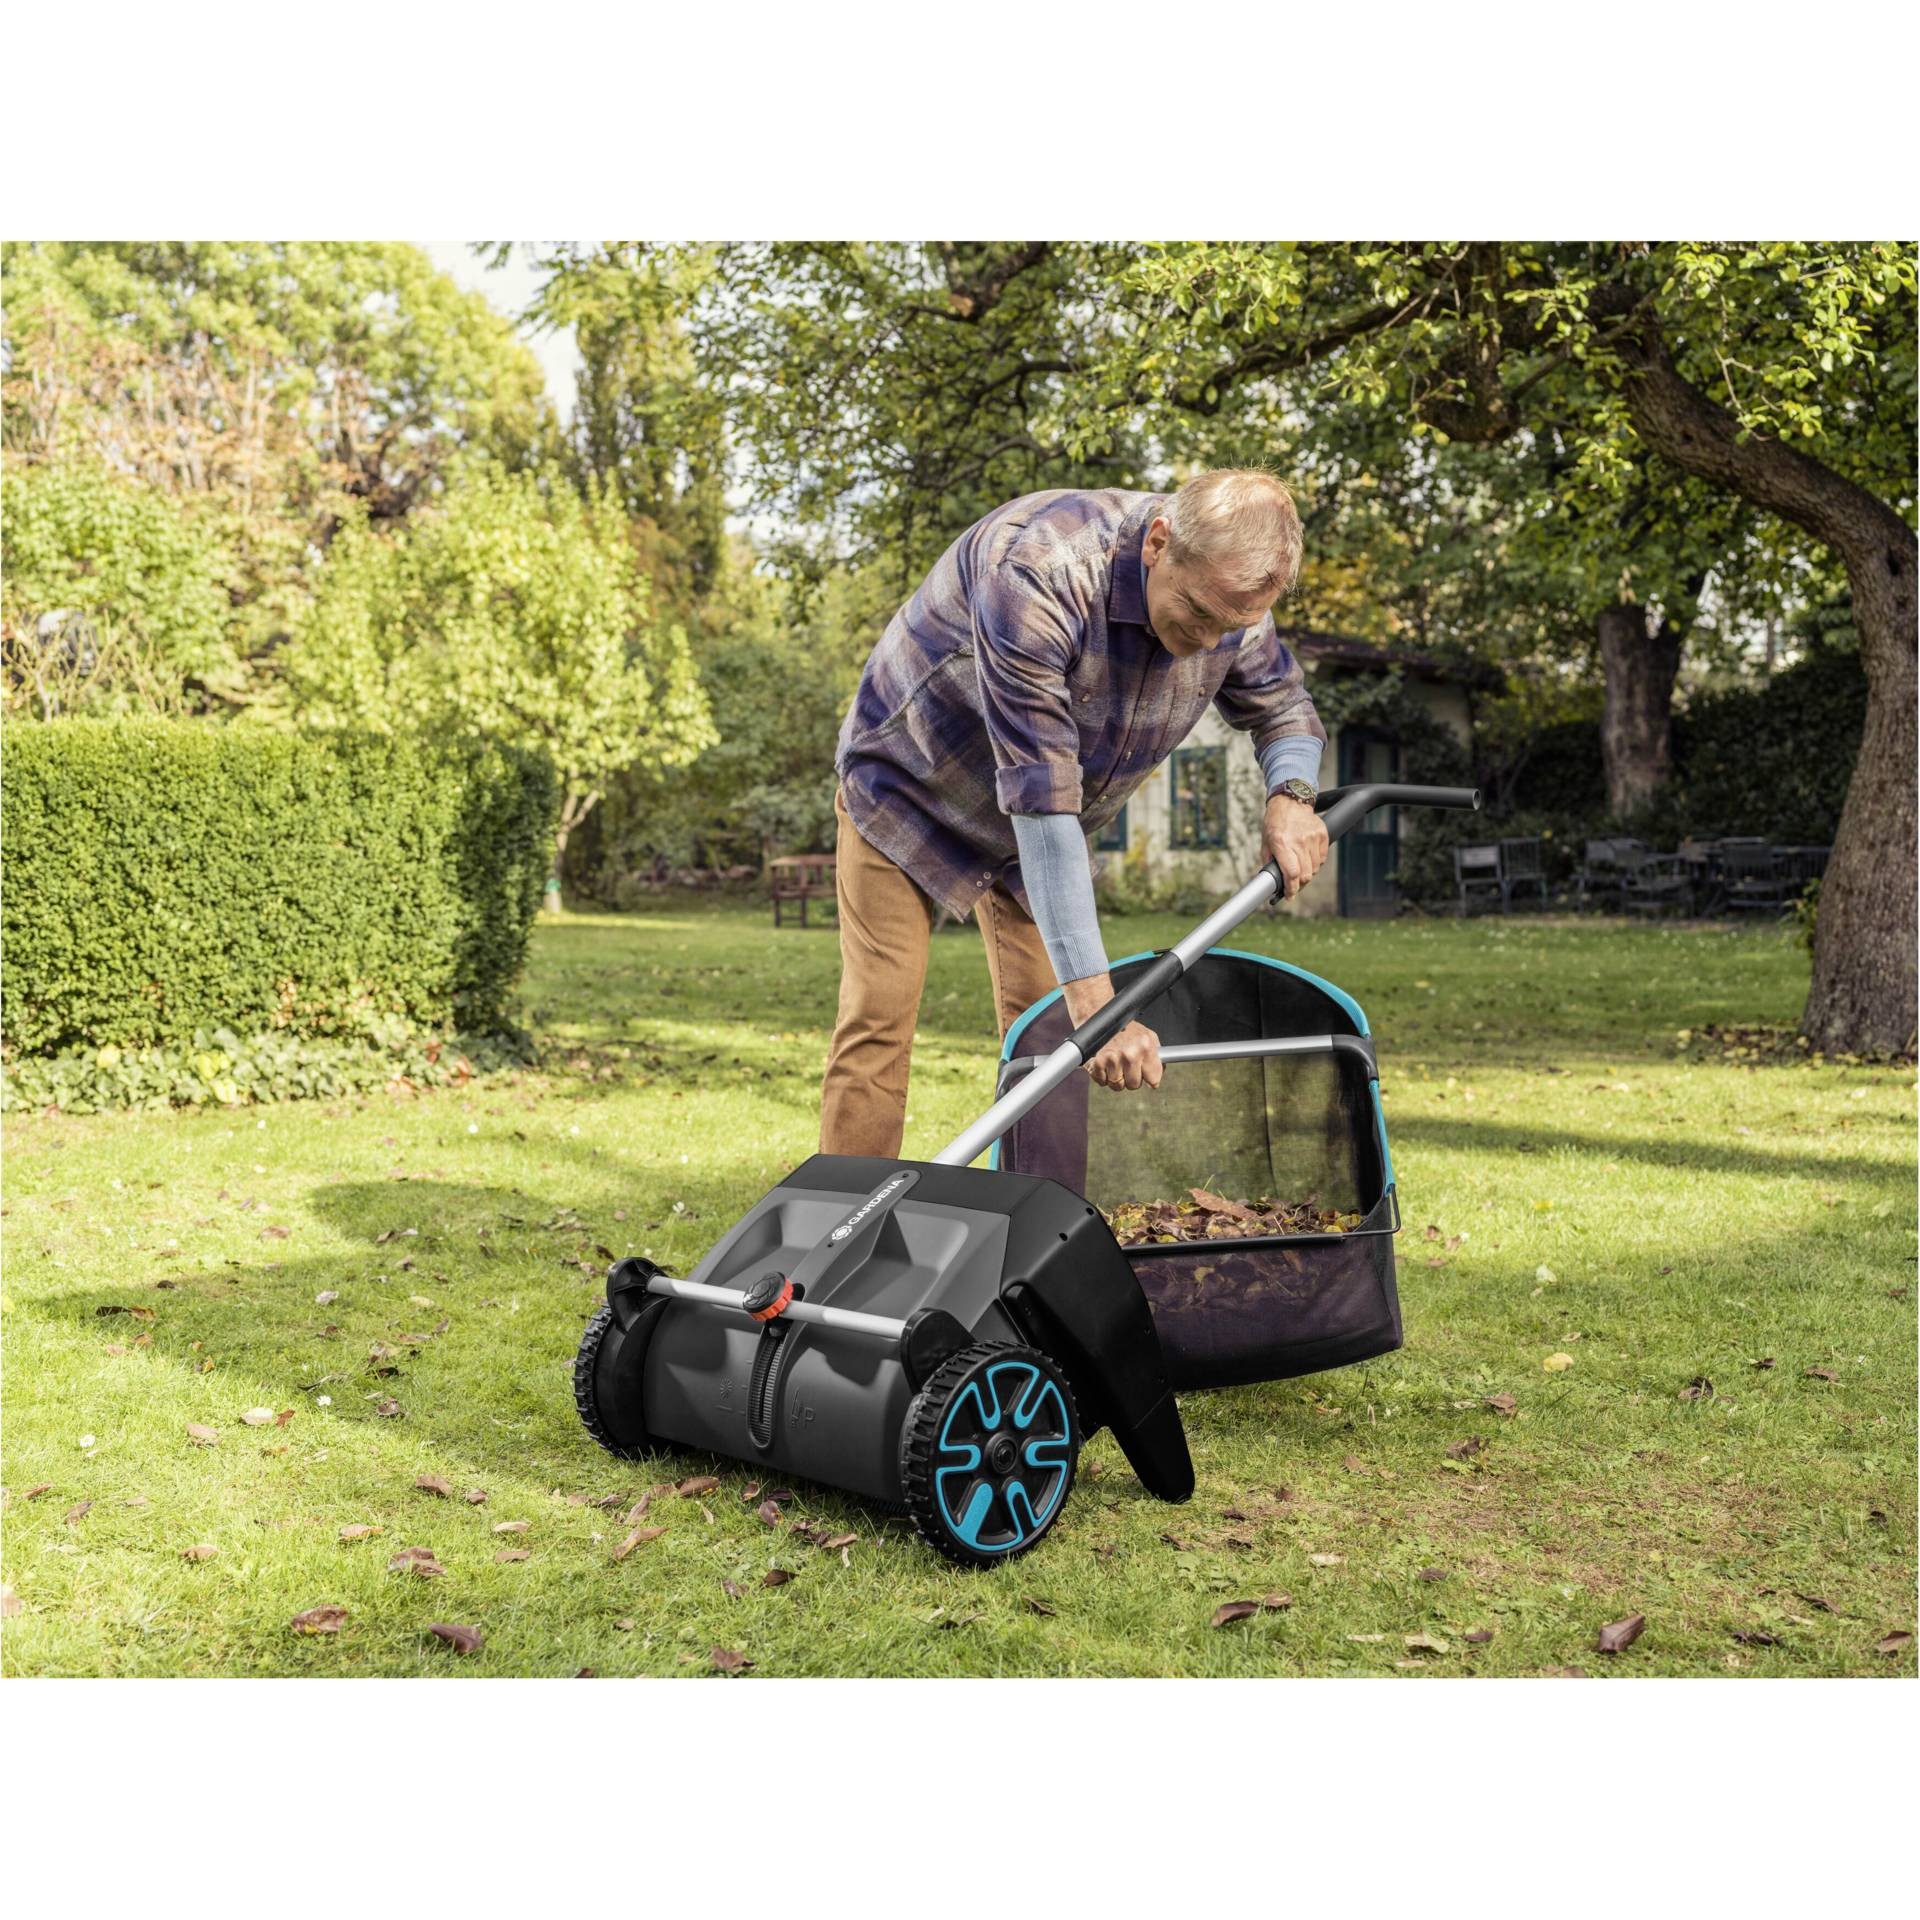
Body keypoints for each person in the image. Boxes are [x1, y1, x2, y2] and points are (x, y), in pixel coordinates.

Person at [822, 470, 1330, 1159]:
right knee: (881, 1015)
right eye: (1198, 613)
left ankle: (1040, 1214)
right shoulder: (1037, 572)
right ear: (1158, 544)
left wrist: (1292, 796)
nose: (1210, 641)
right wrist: (1100, 1007)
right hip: (910, 788)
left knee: (1053, 1039)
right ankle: (849, 1217)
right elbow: (1043, 800)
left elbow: (1283, 707)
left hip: (1037, 828)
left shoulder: (1231, 597)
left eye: (1230, 626)